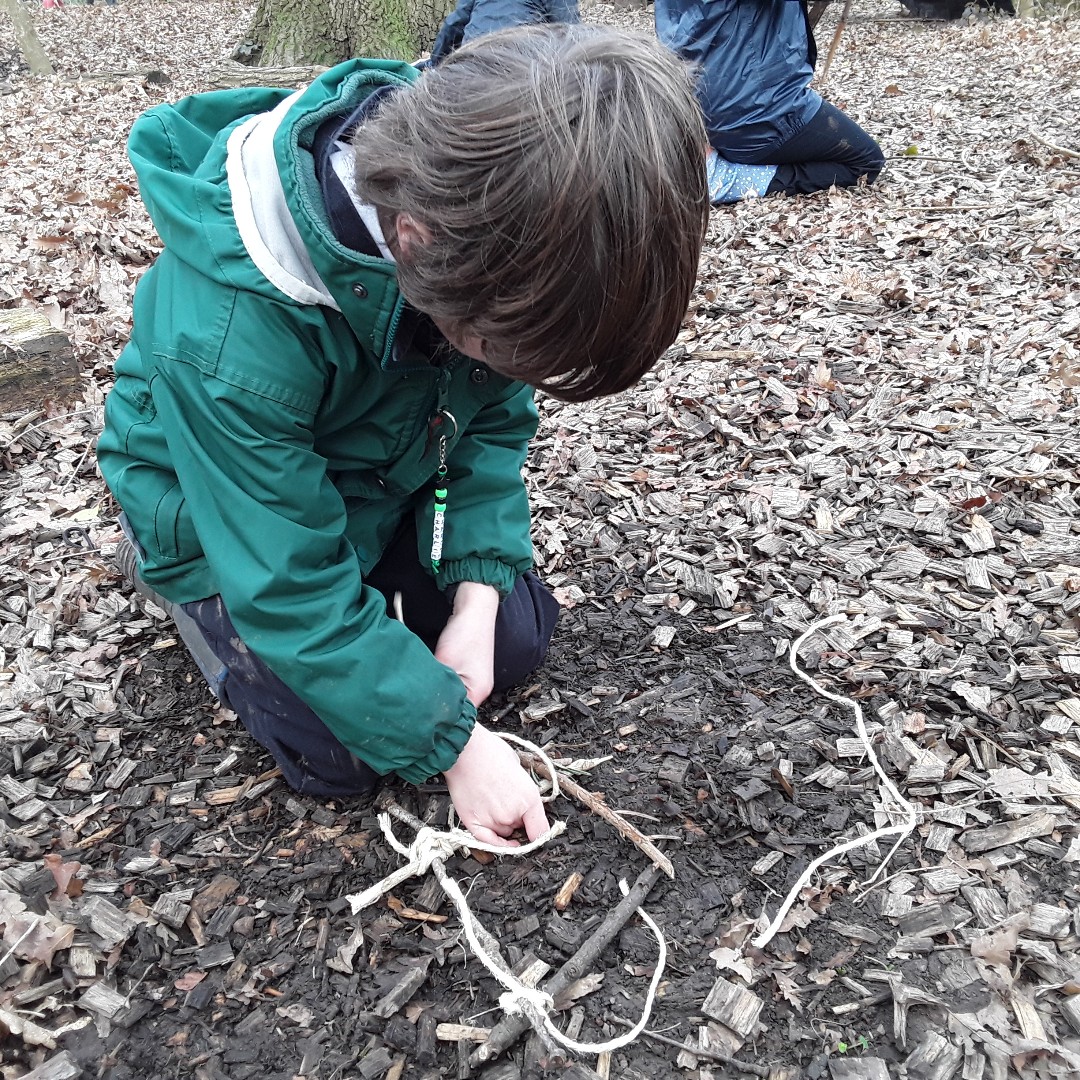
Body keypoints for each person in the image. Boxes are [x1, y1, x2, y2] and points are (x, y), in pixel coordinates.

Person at [97, 25, 709, 848]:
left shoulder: (498, 237)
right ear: (414, 242)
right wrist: (455, 747)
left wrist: (477, 596)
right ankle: (174, 585)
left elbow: (487, 425)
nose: (509, 369)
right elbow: (286, 581)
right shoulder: (230, 336)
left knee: (510, 643)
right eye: (498, 350)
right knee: (343, 757)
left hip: (380, 474)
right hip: (220, 515)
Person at [654, 0, 885, 203]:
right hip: (752, 109)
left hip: (692, 106)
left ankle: (707, 155)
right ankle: (726, 179)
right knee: (866, 161)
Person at [429, 0, 579, 64]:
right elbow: (571, 31)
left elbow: (454, 24)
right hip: (521, 65)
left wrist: (434, 64)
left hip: (471, 62)